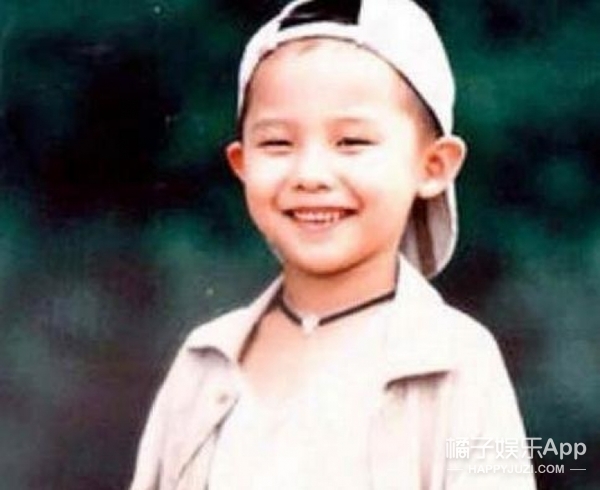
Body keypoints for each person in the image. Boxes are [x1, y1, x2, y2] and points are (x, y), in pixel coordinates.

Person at [129, 1, 537, 488]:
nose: (310, 175)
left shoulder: (457, 363)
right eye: (277, 143)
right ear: (241, 164)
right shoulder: (203, 364)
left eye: (352, 142)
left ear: (433, 166)